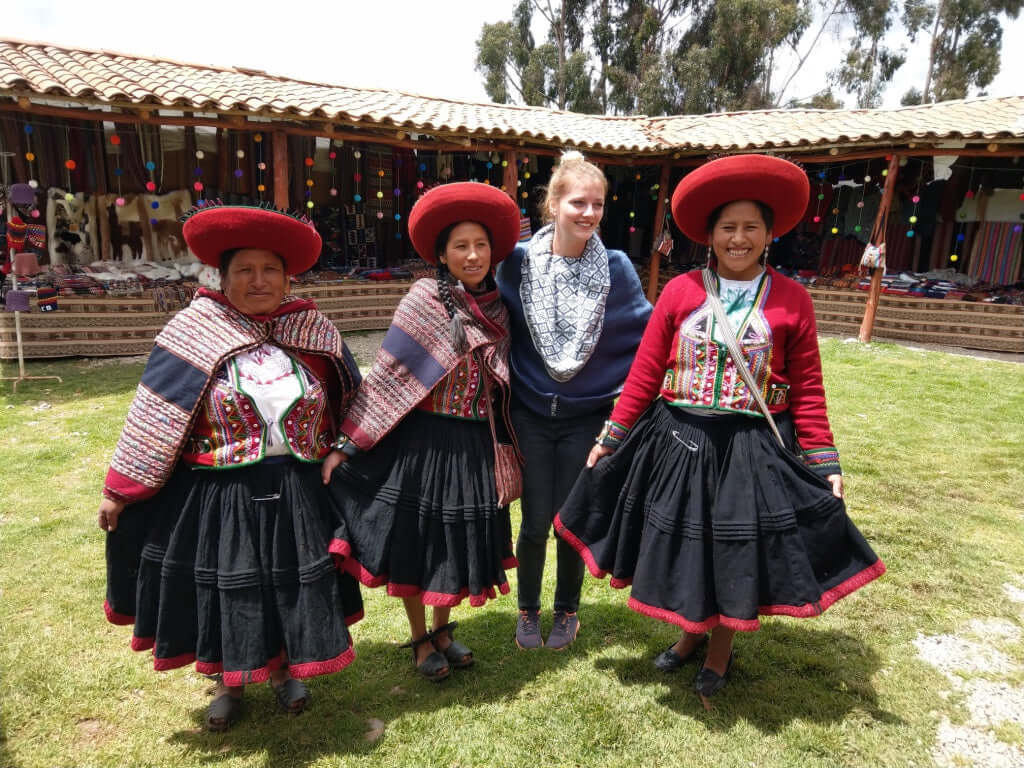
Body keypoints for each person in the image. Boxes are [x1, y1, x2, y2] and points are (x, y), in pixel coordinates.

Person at [553, 154, 885, 701]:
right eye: (728, 228)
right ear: (710, 235)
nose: (739, 238)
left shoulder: (792, 300)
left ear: (768, 233)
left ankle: (719, 651)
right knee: (689, 546)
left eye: (751, 227)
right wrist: (611, 435)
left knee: (732, 550)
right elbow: (645, 370)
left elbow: (808, 390)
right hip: (679, 438)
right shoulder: (682, 291)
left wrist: (825, 461)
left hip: (748, 447)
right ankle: (689, 636)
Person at [97, 202, 364, 731]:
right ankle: (228, 682)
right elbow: (156, 411)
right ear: (222, 277)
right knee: (232, 587)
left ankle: (289, 670)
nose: (258, 281)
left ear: (288, 277)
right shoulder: (194, 330)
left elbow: (353, 401)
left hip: (297, 486)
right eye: (245, 270)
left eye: (270, 270)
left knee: (288, 580)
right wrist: (120, 489)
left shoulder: (314, 329)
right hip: (221, 491)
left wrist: (346, 448)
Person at [321, 182, 522, 682]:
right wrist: (348, 446)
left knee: (453, 542)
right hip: (422, 444)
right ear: (441, 253)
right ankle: (418, 638)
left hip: (473, 447)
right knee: (416, 540)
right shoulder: (421, 302)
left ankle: (444, 631)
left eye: (480, 245)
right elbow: (388, 377)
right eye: (460, 246)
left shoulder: (500, 309)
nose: (473, 255)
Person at [496, 151, 652, 650]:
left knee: (569, 520)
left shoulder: (617, 267)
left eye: (598, 205)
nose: (588, 214)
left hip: (588, 417)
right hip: (533, 415)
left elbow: (645, 333)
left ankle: (567, 611)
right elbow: (491, 316)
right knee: (536, 520)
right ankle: (527, 611)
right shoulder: (517, 263)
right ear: (554, 204)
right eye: (578, 203)